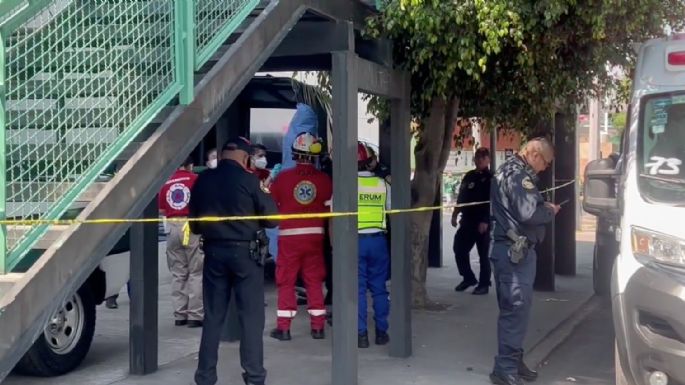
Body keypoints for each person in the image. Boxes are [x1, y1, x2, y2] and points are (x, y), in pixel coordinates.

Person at [190, 137, 278, 385]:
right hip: (246, 257)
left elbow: (194, 225)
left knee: (213, 317)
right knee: (251, 319)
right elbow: (273, 219)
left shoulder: (203, 180)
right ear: (245, 157)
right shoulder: (251, 182)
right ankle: (254, 376)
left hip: (214, 254)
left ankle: (205, 377)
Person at [489, 137, 560, 385]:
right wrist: (549, 210)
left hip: (509, 251)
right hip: (513, 253)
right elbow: (528, 213)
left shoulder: (510, 171)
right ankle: (504, 368)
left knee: (516, 311)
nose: (544, 168)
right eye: (546, 163)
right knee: (515, 310)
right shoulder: (519, 176)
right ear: (534, 154)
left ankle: (514, 361)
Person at [269, 132, 331, 341]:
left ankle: (284, 329)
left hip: (289, 238)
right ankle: (318, 328)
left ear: (294, 154)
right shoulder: (324, 180)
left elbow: (272, 203)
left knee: (286, 282)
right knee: (314, 281)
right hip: (315, 238)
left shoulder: (283, 178)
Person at [158, 157, 204, 328]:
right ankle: (195, 315)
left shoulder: (166, 182)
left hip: (172, 228)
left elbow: (161, 209)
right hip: (190, 227)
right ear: (190, 165)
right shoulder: (196, 180)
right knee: (195, 272)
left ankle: (180, 314)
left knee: (178, 273)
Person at [356, 142, 391, 348]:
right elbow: (392, 208)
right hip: (378, 241)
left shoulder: (346, 184)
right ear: (370, 163)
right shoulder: (382, 184)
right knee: (379, 289)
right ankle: (381, 332)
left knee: (358, 290)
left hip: (356, 241)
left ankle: (361, 336)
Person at [451, 147, 493, 295]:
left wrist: (485, 221)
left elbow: (492, 202)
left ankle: (484, 284)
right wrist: (455, 214)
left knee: (483, 255)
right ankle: (468, 278)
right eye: (477, 157)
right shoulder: (469, 176)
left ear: (488, 160)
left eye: (483, 157)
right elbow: (461, 197)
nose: (479, 160)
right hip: (467, 221)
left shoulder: (491, 178)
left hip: (482, 222)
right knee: (459, 249)